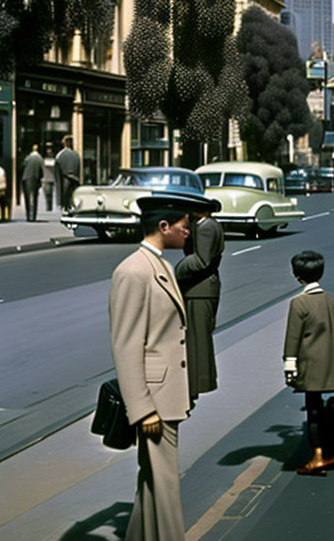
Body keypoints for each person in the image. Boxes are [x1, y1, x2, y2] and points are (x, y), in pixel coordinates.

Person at [109, 192, 217, 541]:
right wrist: (142, 410)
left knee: (153, 482)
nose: (190, 231)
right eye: (185, 225)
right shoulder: (132, 271)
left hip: (168, 395)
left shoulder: (162, 266)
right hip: (154, 401)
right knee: (166, 484)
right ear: (163, 226)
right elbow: (126, 345)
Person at [283, 250, 334, 475]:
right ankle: (332, 450)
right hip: (330, 361)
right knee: (320, 408)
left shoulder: (298, 303)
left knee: (313, 410)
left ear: (298, 276)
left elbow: (293, 337)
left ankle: (318, 455)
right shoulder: (331, 299)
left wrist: (290, 364)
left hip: (309, 364)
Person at [175, 199, 224, 402]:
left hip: (199, 289)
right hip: (201, 289)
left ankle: (196, 384)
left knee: (197, 340)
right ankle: (195, 383)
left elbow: (200, 260)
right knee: (197, 338)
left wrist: (176, 271)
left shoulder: (206, 228)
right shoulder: (208, 225)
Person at [55, 135, 81, 211]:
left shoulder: (60, 155)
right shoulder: (76, 155)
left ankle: (64, 207)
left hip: (64, 179)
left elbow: (57, 172)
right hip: (75, 179)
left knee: (65, 197)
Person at [21, 145, 44, 222]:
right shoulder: (40, 158)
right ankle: (33, 216)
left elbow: (23, 166)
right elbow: (42, 170)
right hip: (35, 178)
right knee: (34, 198)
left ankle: (28, 215)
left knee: (27, 198)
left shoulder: (28, 158)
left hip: (26, 178)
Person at [42, 142, 56, 212]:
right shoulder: (43, 157)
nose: (49, 150)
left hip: (51, 178)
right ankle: (48, 205)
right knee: (47, 192)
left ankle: (49, 206)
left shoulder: (54, 157)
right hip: (45, 177)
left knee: (50, 193)